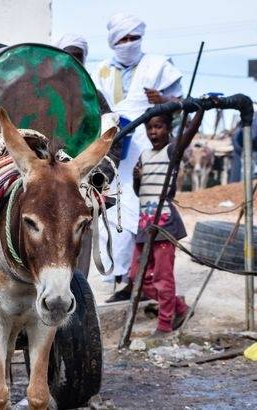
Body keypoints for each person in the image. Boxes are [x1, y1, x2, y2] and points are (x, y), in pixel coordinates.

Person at [92, 13, 184, 298]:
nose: (129, 43)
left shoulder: (157, 66)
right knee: (113, 213)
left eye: (134, 38)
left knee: (141, 217)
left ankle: (141, 282)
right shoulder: (101, 71)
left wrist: (163, 101)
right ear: (113, 41)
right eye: (123, 39)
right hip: (113, 151)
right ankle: (123, 278)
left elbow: (182, 104)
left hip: (146, 150)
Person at [130, 109, 203, 338]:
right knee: (136, 277)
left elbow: (188, 134)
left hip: (164, 225)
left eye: (159, 126)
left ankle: (164, 325)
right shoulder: (143, 155)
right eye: (150, 127)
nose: (154, 131)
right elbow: (139, 192)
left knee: (163, 278)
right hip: (145, 224)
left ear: (168, 129)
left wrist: (199, 112)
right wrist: (136, 179)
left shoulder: (172, 151)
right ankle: (179, 308)